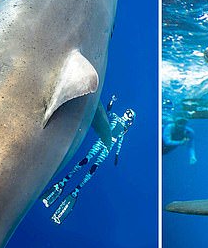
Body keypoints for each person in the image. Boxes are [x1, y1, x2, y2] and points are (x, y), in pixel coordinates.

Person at [40, 96, 136, 224]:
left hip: (108, 147)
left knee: (93, 167)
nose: (127, 114)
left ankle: (77, 189)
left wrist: (117, 154)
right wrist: (111, 102)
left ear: (130, 120)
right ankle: (65, 180)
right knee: (86, 160)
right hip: (102, 141)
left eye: (129, 115)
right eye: (127, 112)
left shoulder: (124, 130)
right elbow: (106, 113)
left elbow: (119, 142)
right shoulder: (115, 117)